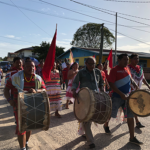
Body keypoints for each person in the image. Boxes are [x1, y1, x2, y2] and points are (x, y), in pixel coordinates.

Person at [4, 60, 46, 150]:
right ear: (24, 67)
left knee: (29, 126)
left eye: (33, 66)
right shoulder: (15, 77)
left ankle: (25, 142)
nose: (31, 68)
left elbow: (44, 90)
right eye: (28, 66)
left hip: (32, 107)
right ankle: (22, 148)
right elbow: (6, 90)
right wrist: (10, 101)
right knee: (21, 127)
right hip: (18, 107)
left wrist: (36, 90)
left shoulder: (38, 78)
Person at [103, 53, 143, 145]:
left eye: (127, 59)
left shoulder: (127, 68)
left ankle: (132, 137)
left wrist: (135, 84)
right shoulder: (114, 70)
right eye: (124, 59)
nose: (126, 61)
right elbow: (111, 84)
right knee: (111, 114)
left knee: (130, 116)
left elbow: (130, 78)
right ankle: (106, 125)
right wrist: (120, 94)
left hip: (128, 97)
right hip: (116, 97)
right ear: (119, 60)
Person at [72, 57, 104, 149]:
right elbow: (75, 82)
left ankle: (86, 133)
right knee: (86, 119)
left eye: (93, 64)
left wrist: (102, 88)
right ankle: (90, 142)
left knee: (91, 116)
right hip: (85, 97)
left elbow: (101, 82)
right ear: (86, 63)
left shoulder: (97, 71)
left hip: (96, 96)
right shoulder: (81, 72)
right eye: (90, 64)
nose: (92, 66)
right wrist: (74, 90)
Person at [128, 53, 150, 128]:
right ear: (131, 59)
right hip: (129, 91)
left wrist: (147, 85)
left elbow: (142, 78)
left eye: (138, 58)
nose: (137, 60)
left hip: (137, 91)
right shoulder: (127, 68)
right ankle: (106, 124)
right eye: (135, 58)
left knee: (134, 105)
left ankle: (137, 122)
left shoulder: (140, 68)